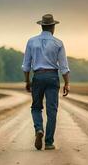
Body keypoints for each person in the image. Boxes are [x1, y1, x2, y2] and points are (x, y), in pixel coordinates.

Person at [22, 14, 70, 150]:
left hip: (38, 76)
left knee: (36, 107)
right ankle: (49, 142)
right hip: (52, 77)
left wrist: (27, 81)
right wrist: (67, 83)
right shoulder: (58, 43)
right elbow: (64, 67)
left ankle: (38, 129)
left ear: (42, 26)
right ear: (53, 27)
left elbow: (26, 65)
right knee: (52, 110)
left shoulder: (31, 41)